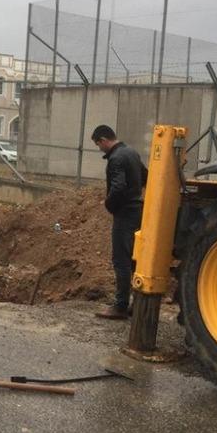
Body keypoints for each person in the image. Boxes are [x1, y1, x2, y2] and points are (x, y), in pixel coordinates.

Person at [91, 125, 147, 320]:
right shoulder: (132, 152)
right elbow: (146, 176)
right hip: (139, 211)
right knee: (136, 260)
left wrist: (109, 205)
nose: (100, 148)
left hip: (125, 214)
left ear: (104, 140)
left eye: (99, 144)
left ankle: (120, 305)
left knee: (121, 260)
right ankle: (137, 303)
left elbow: (118, 186)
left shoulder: (116, 158)